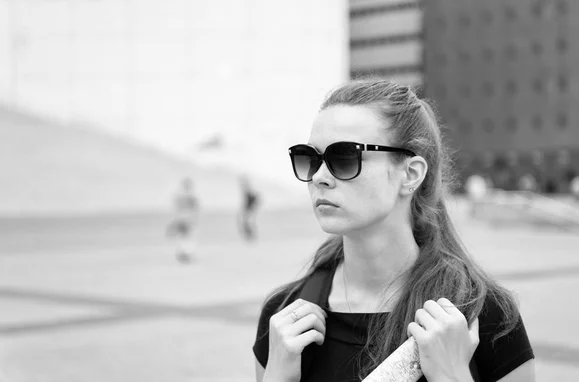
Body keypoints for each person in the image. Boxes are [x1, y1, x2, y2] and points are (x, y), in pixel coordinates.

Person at [253, 80, 535, 382]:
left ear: (410, 174)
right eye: (310, 158)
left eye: (344, 157)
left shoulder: (482, 315)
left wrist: (452, 376)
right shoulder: (285, 320)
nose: (319, 177)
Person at [166, 177, 200, 263]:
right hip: (186, 220)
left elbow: (176, 208)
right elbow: (195, 208)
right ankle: (185, 254)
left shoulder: (180, 196)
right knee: (186, 237)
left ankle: (184, 254)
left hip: (183, 219)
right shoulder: (191, 196)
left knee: (184, 237)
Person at [239, 175, 260, 240]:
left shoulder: (246, 218)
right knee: (246, 191)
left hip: (250, 205)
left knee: (246, 192)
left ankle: (244, 180)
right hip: (250, 205)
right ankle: (245, 181)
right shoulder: (246, 218)